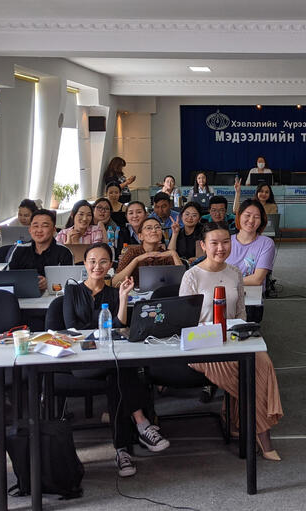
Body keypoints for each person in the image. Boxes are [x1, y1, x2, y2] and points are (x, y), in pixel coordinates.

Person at [63, 243, 169, 477]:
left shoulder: (113, 293)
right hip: (81, 361)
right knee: (121, 370)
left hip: (109, 359)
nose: (97, 266)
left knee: (117, 375)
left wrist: (123, 298)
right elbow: (72, 328)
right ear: (85, 263)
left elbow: (120, 327)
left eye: (103, 262)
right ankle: (141, 422)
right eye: (92, 261)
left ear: (110, 265)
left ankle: (122, 450)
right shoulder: (72, 291)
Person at [179, 222, 283, 460]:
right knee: (245, 371)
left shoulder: (235, 272)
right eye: (214, 243)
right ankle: (261, 431)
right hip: (202, 344)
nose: (220, 248)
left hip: (232, 338)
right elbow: (184, 323)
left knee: (263, 362)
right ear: (203, 245)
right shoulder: (192, 276)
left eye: (226, 242)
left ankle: (242, 420)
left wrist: (240, 336)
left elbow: (240, 315)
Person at [7, 209, 73, 292]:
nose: (39, 230)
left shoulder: (64, 252)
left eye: (45, 226)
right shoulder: (19, 250)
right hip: (24, 297)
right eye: (35, 226)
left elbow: (68, 286)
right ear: (30, 230)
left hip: (53, 300)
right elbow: (9, 281)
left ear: (53, 230)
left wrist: (49, 285)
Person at [112, 217, 181, 286]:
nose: (154, 230)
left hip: (160, 294)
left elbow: (183, 283)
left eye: (157, 227)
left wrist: (174, 254)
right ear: (140, 236)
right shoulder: (132, 252)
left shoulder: (165, 254)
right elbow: (115, 282)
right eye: (149, 228)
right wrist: (136, 260)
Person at [228, 199, 276, 290]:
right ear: (239, 216)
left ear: (262, 220)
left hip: (251, 295)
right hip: (226, 292)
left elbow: (257, 279)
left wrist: (228, 282)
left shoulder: (266, 243)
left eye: (257, 217)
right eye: (247, 215)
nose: (251, 220)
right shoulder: (226, 241)